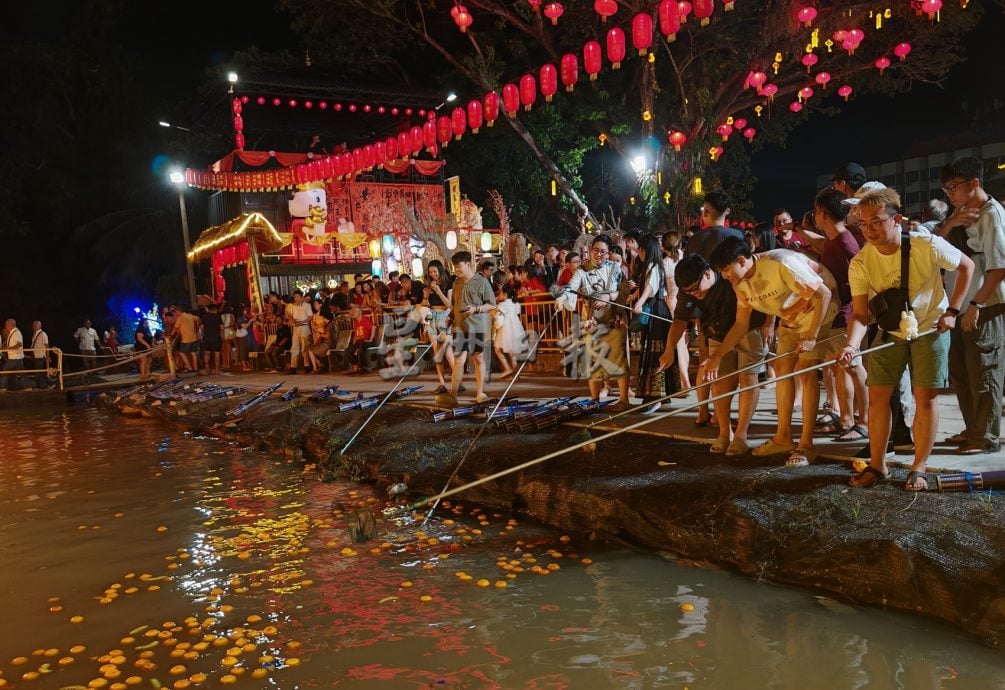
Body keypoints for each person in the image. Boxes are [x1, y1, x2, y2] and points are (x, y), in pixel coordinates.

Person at [839, 187, 975, 490]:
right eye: (863, 224)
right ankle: (878, 465)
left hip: (929, 327)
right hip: (890, 330)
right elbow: (861, 314)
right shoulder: (861, 262)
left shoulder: (925, 244)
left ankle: (919, 466)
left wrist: (953, 311)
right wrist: (851, 345)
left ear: (896, 219)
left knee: (925, 396)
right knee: (877, 396)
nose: (869, 230)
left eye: (876, 222)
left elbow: (967, 266)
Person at [710, 237, 838, 467]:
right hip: (790, 318)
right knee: (782, 369)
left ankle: (807, 444)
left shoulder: (781, 262)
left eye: (726, 269)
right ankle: (783, 436)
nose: (725, 276)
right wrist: (717, 356)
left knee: (805, 371)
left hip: (817, 312)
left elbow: (824, 294)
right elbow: (741, 324)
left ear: (741, 260)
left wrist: (811, 336)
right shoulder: (739, 283)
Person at [659, 255, 767, 455]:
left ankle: (741, 434)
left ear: (708, 273)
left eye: (695, 288)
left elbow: (760, 294)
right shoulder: (688, 291)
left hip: (748, 328)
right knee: (719, 380)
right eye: (688, 291)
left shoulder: (729, 278)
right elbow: (680, 320)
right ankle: (725, 433)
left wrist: (769, 323)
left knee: (747, 377)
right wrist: (668, 350)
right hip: (717, 331)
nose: (694, 294)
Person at [938, 156, 1005, 455]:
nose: (949, 193)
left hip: (984, 304)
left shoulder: (992, 214)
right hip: (959, 304)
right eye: (946, 188)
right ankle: (972, 430)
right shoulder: (960, 211)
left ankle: (985, 437)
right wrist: (951, 221)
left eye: (953, 186)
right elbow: (935, 244)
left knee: (985, 371)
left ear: (974, 183)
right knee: (963, 374)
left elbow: (999, 267)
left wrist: (977, 304)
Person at [813, 188, 869, 442]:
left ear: (822, 214)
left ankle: (864, 421)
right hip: (836, 315)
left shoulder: (846, 241)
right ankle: (845, 418)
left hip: (847, 315)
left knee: (854, 369)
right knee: (840, 368)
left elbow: (859, 279)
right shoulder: (833, 241)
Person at [556, 234, 631, 412]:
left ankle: (624, 399)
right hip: (592, 323)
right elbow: (571, 287)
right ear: (590, 251)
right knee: (593, 363)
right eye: (595, 250)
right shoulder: (582, 270)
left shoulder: (615, 268)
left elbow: (624, 291)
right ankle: (595, 400)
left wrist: (609, 296)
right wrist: (562, 298)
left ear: (608, 254)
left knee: (619, 361)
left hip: (614, 321)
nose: (599, 254)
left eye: (603, 252)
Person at [443, 250, 496, 406]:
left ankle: (480, 392)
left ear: (468, 264)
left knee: (478, 358)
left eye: (459, 267)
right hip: (460, 326)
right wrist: (451, 316)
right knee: (459, 359)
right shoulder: (457, 282)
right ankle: (452, 395)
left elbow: (492, 304)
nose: (456, 270)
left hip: (476, 326)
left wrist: (476, 309)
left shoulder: (482, 281)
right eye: (455, 267)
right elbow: (457, 303)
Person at [631, 234, 670, 403]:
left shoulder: (652, 266)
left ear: (644, 250)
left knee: (653, 351)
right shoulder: (657, 266)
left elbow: (650, 286)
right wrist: (633, 296)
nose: (638, 253)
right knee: (659, 350)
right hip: (660, 309)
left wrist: (639, 302)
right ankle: (663, 393)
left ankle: (653, 396)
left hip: (654, 310)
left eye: (639, 249)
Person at [661, 231, 690, 391]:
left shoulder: (664, 263)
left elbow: (664, 289)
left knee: (679, 342)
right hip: (689, 299)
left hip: (673, 301)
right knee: (683, 342)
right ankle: (685, 379)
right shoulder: (686, 257)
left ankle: (685, 381)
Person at [422, 259, 455, 394]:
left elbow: (449, 304)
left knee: (447, 351)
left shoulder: (448, 284)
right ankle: (442, 383)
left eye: (435, 271)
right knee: (437, 353)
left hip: (444, 316)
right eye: (430, 272)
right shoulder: (429, 286)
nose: (432, 274)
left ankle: (457, 381)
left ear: (440, 270)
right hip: (432, 316)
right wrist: (425, 296)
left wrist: (439, 291)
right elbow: (425, 304)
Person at [492, 276, 527, 380]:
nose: (499, 295)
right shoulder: (516, 304)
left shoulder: (503, 304)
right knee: (512, 352)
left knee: (497, 348)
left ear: (505, 295)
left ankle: (507, 369)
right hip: (516, 327)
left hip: (505, 328)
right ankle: (515, 374)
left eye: (501, 293)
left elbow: (496, 310)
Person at [285, 290, 313, 374]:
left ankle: (306, 365)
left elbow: (310, 316)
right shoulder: (293, 306)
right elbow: (289, 316)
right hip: (296, 328)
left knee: (305, 347)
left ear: (302, 297)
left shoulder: (307, 305)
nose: (296, 299)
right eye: (295, 297)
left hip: (304, 327)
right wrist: (292, 320)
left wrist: (301, 321)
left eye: (297, 297)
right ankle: (293, 367)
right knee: (295, 347)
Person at [347, 305, 375, 374]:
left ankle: (363, 367)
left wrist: (371, 339)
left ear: (360, 312)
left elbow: (373, 327)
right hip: (359, 341)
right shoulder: (356, 322)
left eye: (355, 311)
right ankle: (355, 366)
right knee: (348, 350)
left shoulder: (365, 319)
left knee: (360, 349)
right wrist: (353, 344)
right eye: (353, 311)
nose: (354, 313)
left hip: (366, 340)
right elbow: (356, 335)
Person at [200, 303, 223, 375]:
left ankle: (207, 367)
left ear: (209, 310)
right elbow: (222, 328)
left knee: (207, 353)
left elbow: (201, 328)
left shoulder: (204, 317)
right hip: (216, 337)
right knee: (217, 353)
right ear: (215, 309)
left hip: (207, 337)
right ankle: (217, 370)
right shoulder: (218, 317)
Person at [308, 299, 330, 374]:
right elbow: (312, 326)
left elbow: (329, 323)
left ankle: (317, 367)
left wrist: (322, 322)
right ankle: (318, 366)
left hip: (323, 335)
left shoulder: (325, 314)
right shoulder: (314, 315)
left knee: (312, 351)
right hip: (316, 335)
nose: (315, 306)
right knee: (310, 349)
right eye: (314, 304)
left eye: (316, 304)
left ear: (321, 304)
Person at [2, 319, 25, 390]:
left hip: (15, 356)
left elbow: (19, 344)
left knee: (6, 370)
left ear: (11, 324)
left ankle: (2, 386)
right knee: (19, 373)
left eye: (7, 325)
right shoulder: (13, 332)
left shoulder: (16, 333)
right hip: (14, 356)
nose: (6, 326)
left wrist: (9, 348)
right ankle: (16, 386)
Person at [30, 320, 50, 388]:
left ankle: (41, 385)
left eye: (36, 325)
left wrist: (48, 356)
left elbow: (47, 345)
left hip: (40, 355)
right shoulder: (35, 334)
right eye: (33, 325)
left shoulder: (43, 334)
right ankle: (42, 385)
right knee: (39, 371)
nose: (34, 326)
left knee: (39, 371)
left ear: (40, 326)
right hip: (36, 356)